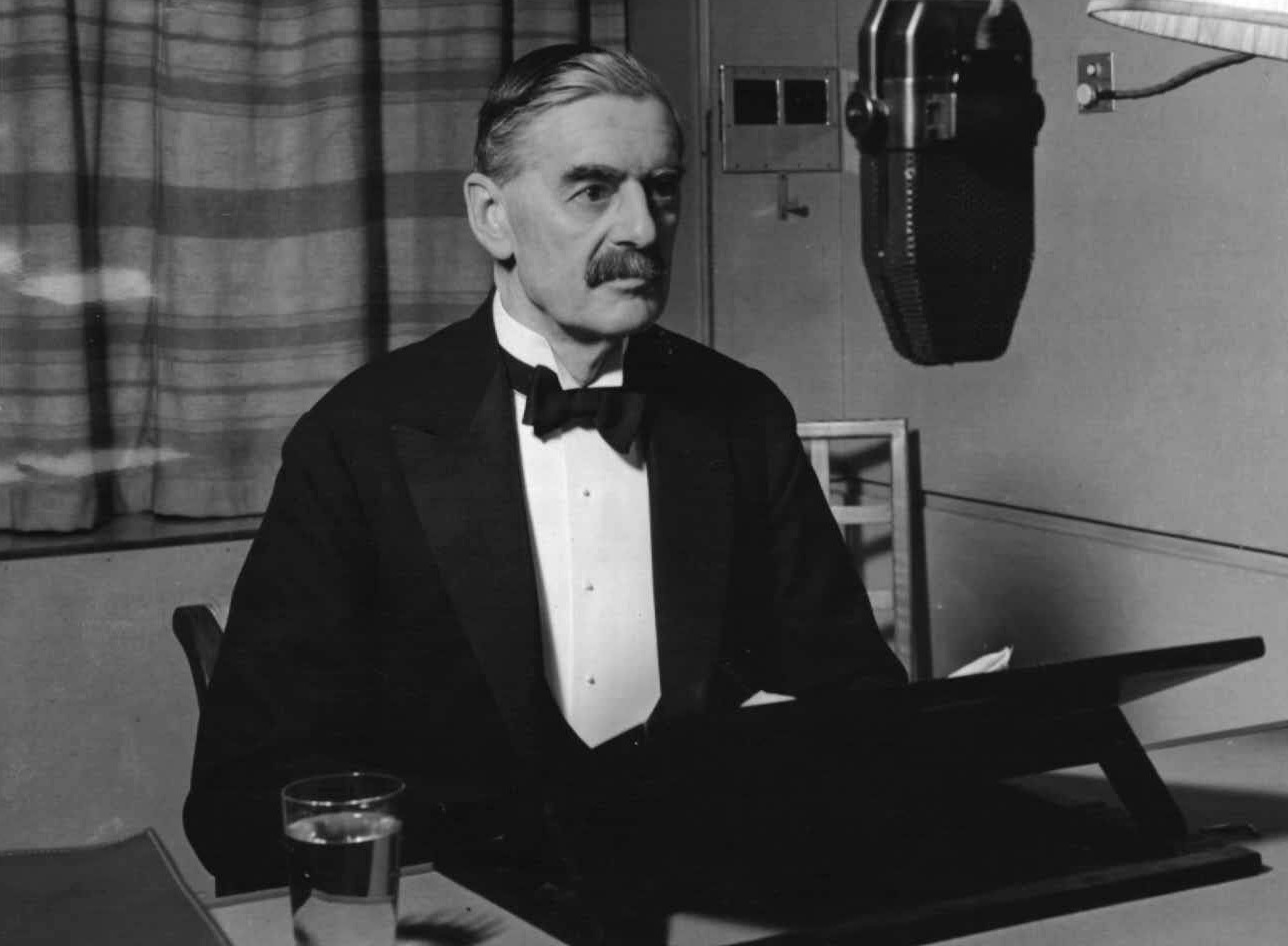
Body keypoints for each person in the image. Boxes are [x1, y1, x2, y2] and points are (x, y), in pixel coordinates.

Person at [183, 44, 905, 895]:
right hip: (470, 914)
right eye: (593, 190)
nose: (642, 229)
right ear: (492, 216)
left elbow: (854, 694)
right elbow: (243, 793)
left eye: (660, 188)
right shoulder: (358, 436)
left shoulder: (743, 414)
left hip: (711, 895)